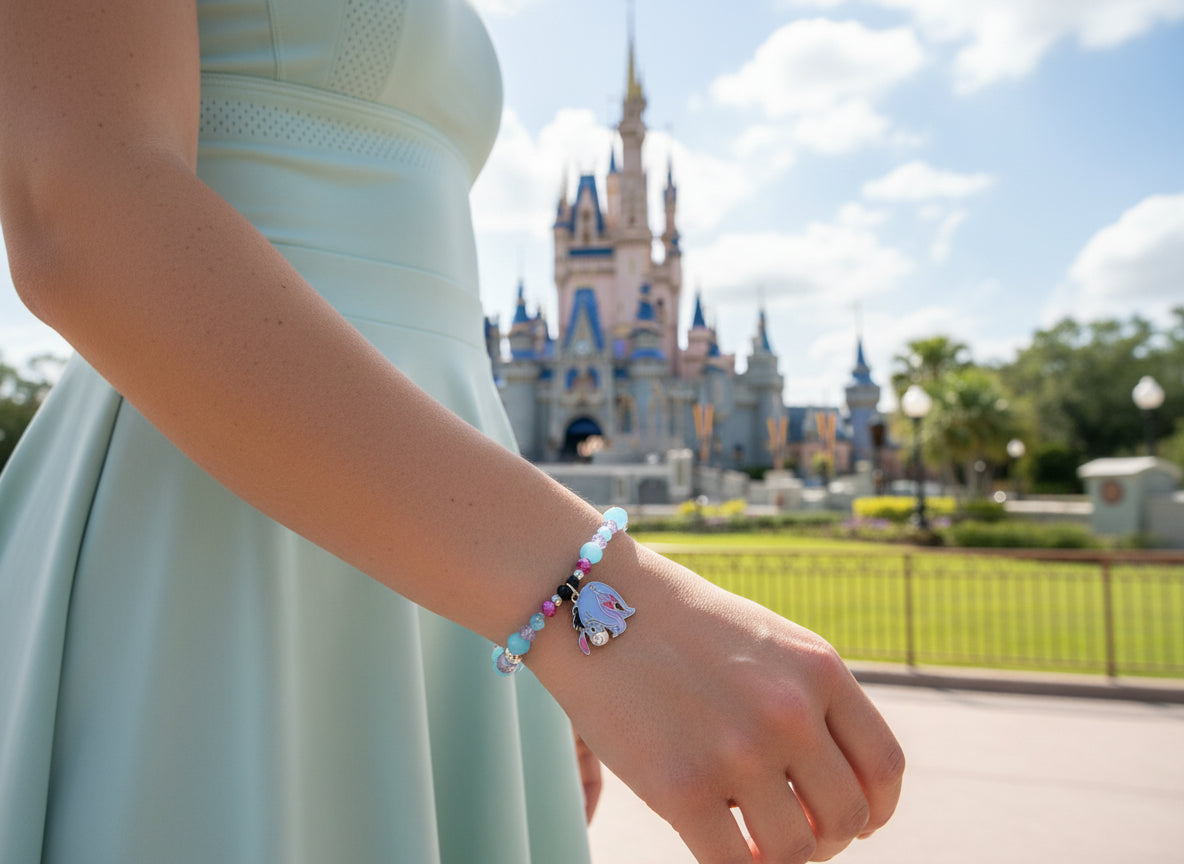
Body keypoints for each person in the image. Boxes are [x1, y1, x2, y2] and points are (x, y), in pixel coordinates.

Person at [0, 0, 904, 862]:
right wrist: (599, 611)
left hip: (460, 574)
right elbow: (78, 204)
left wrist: (523, 624)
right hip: (219, 519)